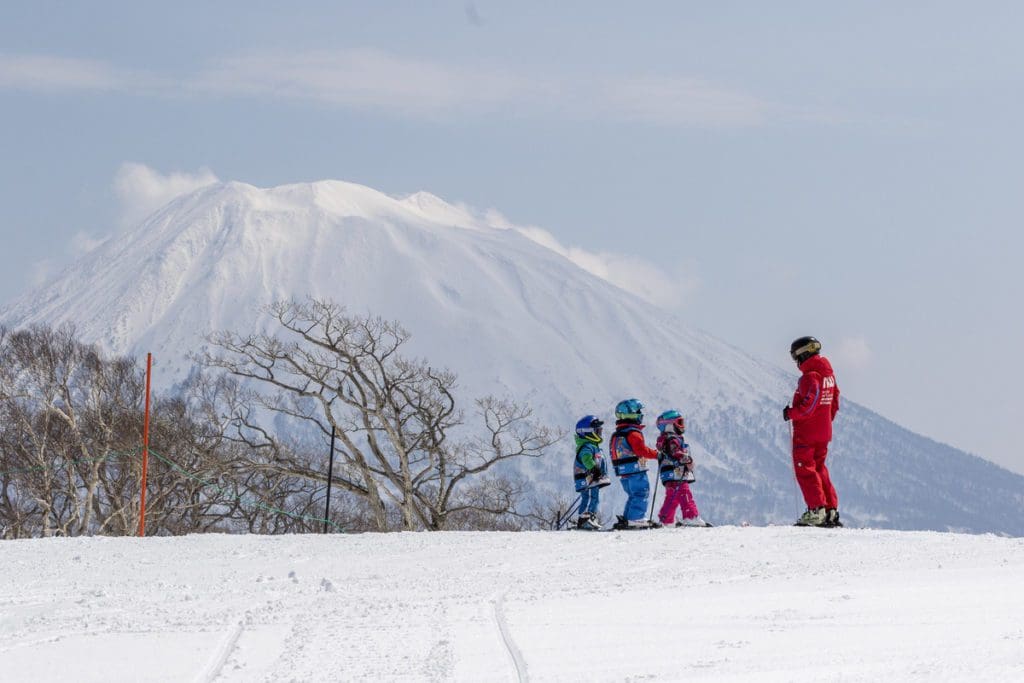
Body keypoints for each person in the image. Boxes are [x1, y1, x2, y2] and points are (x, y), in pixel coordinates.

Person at [783, 336, 842, 527]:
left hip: (807, 433)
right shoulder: (828, 376)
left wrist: (791, 413)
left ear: (803, 354)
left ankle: (816, 509)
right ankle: (830, 509)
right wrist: (825, 421)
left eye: (795, 357)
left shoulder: (810, 377)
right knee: (819, 469)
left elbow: (809, 405)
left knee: (805, 469)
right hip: (823, 431)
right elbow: (834, 402)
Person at [609, 399, 662, 529]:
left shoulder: (618, 434)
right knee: (641, 493)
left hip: (624, 472)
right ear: (631, 414)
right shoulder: (633, 433)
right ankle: (636, 518)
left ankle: (628, 518)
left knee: (633, 495)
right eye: (638, 412)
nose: (640, 415)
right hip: (635, 470)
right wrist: (657, 454)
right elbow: (641, 450)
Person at [655, 410, 710, 527]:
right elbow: (676, 453)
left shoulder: (666, 439)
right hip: (676, 473)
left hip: (670, 474)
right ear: (670, 425)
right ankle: (691, 517)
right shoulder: (672, 439)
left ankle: (666, 520)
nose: (682, 426)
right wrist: (687, 459)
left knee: (672, 498)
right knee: (685, 494)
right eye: (679, 422)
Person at [572, 415, 610, 530]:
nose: (600, 433)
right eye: (597, 431)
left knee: (594, 498)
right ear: (588, 432)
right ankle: (585, 519)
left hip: (593, 478)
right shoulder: (587, 447)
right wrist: (594, 469)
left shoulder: (593, 446)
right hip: (586, 478)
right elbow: (586, 459)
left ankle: (589, 517)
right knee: (588, 498)